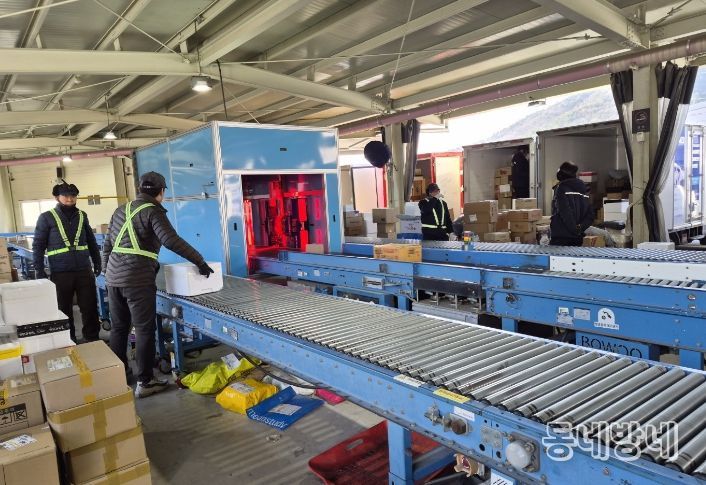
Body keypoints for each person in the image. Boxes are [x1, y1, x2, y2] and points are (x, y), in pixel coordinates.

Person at [102, 171, 214, 398]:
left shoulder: (120, 210)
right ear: (161, 192)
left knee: (120, 328)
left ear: (140, 189)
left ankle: (117, 376)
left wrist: (107, 271)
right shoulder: (153, 211)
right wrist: (200, 261)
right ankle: (145, 382)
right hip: (137, 279)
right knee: (144, 330)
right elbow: (171, 240)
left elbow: (107, 245)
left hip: (113, 278)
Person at [32, 181, 101, 343]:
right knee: (63, 309)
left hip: (84, 270)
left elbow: (91, 241)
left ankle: (92, 339)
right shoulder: (46, 217)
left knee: (90, 307)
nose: (70, 199)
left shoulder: (82, 215)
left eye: (73, 196)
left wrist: (97, 261)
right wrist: (39, 270)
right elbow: (38, 245)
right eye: (66, 196)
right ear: (57, 197)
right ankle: (68, 340)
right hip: (60, 272)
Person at [550, 161, 594, 246]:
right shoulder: (585, 189)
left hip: (561, 238)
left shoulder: (560, 188)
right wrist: (580, 228)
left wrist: (574, 229)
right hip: (578, 238)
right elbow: (590, 215)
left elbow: (565, 212)